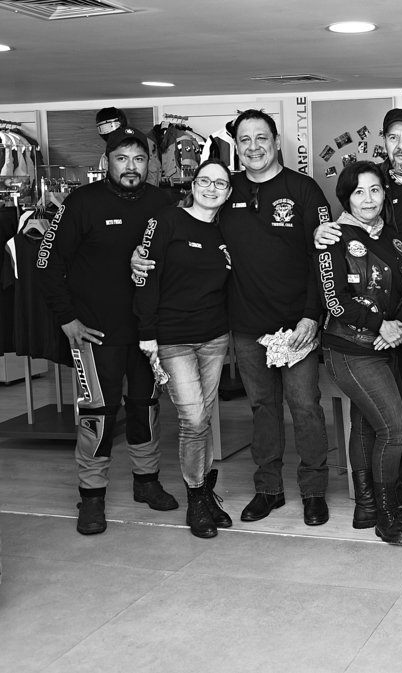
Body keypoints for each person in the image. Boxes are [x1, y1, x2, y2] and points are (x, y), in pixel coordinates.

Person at [133, 109, 333, 527]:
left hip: (296, 324)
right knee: (262, 408)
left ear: (276, 141)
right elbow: (188, 227)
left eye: (261, 138)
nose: (254, 147)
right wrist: (142, 256)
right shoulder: (225, 189)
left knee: (305, 407)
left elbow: (323, 255)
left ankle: (314, 491)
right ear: (236, 147)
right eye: (245, 140)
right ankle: (269, 489)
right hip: (245, 325)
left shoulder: (303, 189)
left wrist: (312, 316)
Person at [316, 109, 402, 520]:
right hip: (385, 317)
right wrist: (321, 232)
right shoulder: (374, 183)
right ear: (384, 143)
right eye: (393, 138)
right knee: (399, 403)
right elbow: (348, 231)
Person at [38, 126, 178, 536]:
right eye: (122, 158)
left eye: (139, 159)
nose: (130, 167)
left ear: (149, 164)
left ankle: (146, 482)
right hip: (94, 333)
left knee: (146, 408)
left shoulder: (163, 202)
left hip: (147, 332)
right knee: (98, 414)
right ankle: (92, 496)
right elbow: (46, 262)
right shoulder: (81, 202)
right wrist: (66, 318)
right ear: (106, 162)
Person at [319, 161, 402, 544]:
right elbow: (335, 300)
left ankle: (366, 508)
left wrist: (398, 327)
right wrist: (382, 325)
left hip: (384, 346)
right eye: (359, 191)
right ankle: (386, 514)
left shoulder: (392, 237)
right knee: (394, 428)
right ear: (346, 197)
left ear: (384, 194)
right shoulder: (333, 237)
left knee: (367, 424)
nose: (368, 198)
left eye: (375, 189)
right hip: (349, 349)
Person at [133, 159, 234, 538]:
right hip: (173, 338)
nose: (211, 188)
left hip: (215, 337)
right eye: (204, 181)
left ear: (228, 192)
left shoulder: (227, 231)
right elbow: (145, 277)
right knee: (192, 420)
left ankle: (205, 494)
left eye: (220, 184)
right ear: (192, 186)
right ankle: (196, 499)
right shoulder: (167, 221)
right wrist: (147, 332)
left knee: (202, 418)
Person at [95, 107, 161, 187]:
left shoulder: (144, 146)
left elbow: (154, 176)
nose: (108, 131)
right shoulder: (105, 157)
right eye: (103, 128)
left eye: (111, 126)